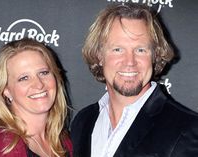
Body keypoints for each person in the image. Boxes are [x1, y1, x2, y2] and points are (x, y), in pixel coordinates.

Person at [71, 3, 198, 157]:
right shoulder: (83, 121)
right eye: (118, 49)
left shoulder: (188, 129)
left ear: (155, 55)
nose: (130, 61)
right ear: (99, 56)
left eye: (140, 50)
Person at [0, 38, 72, 157]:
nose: (39, 84)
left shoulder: (65, 141)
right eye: (24, 78)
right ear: (6, 90)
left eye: (43, 72)